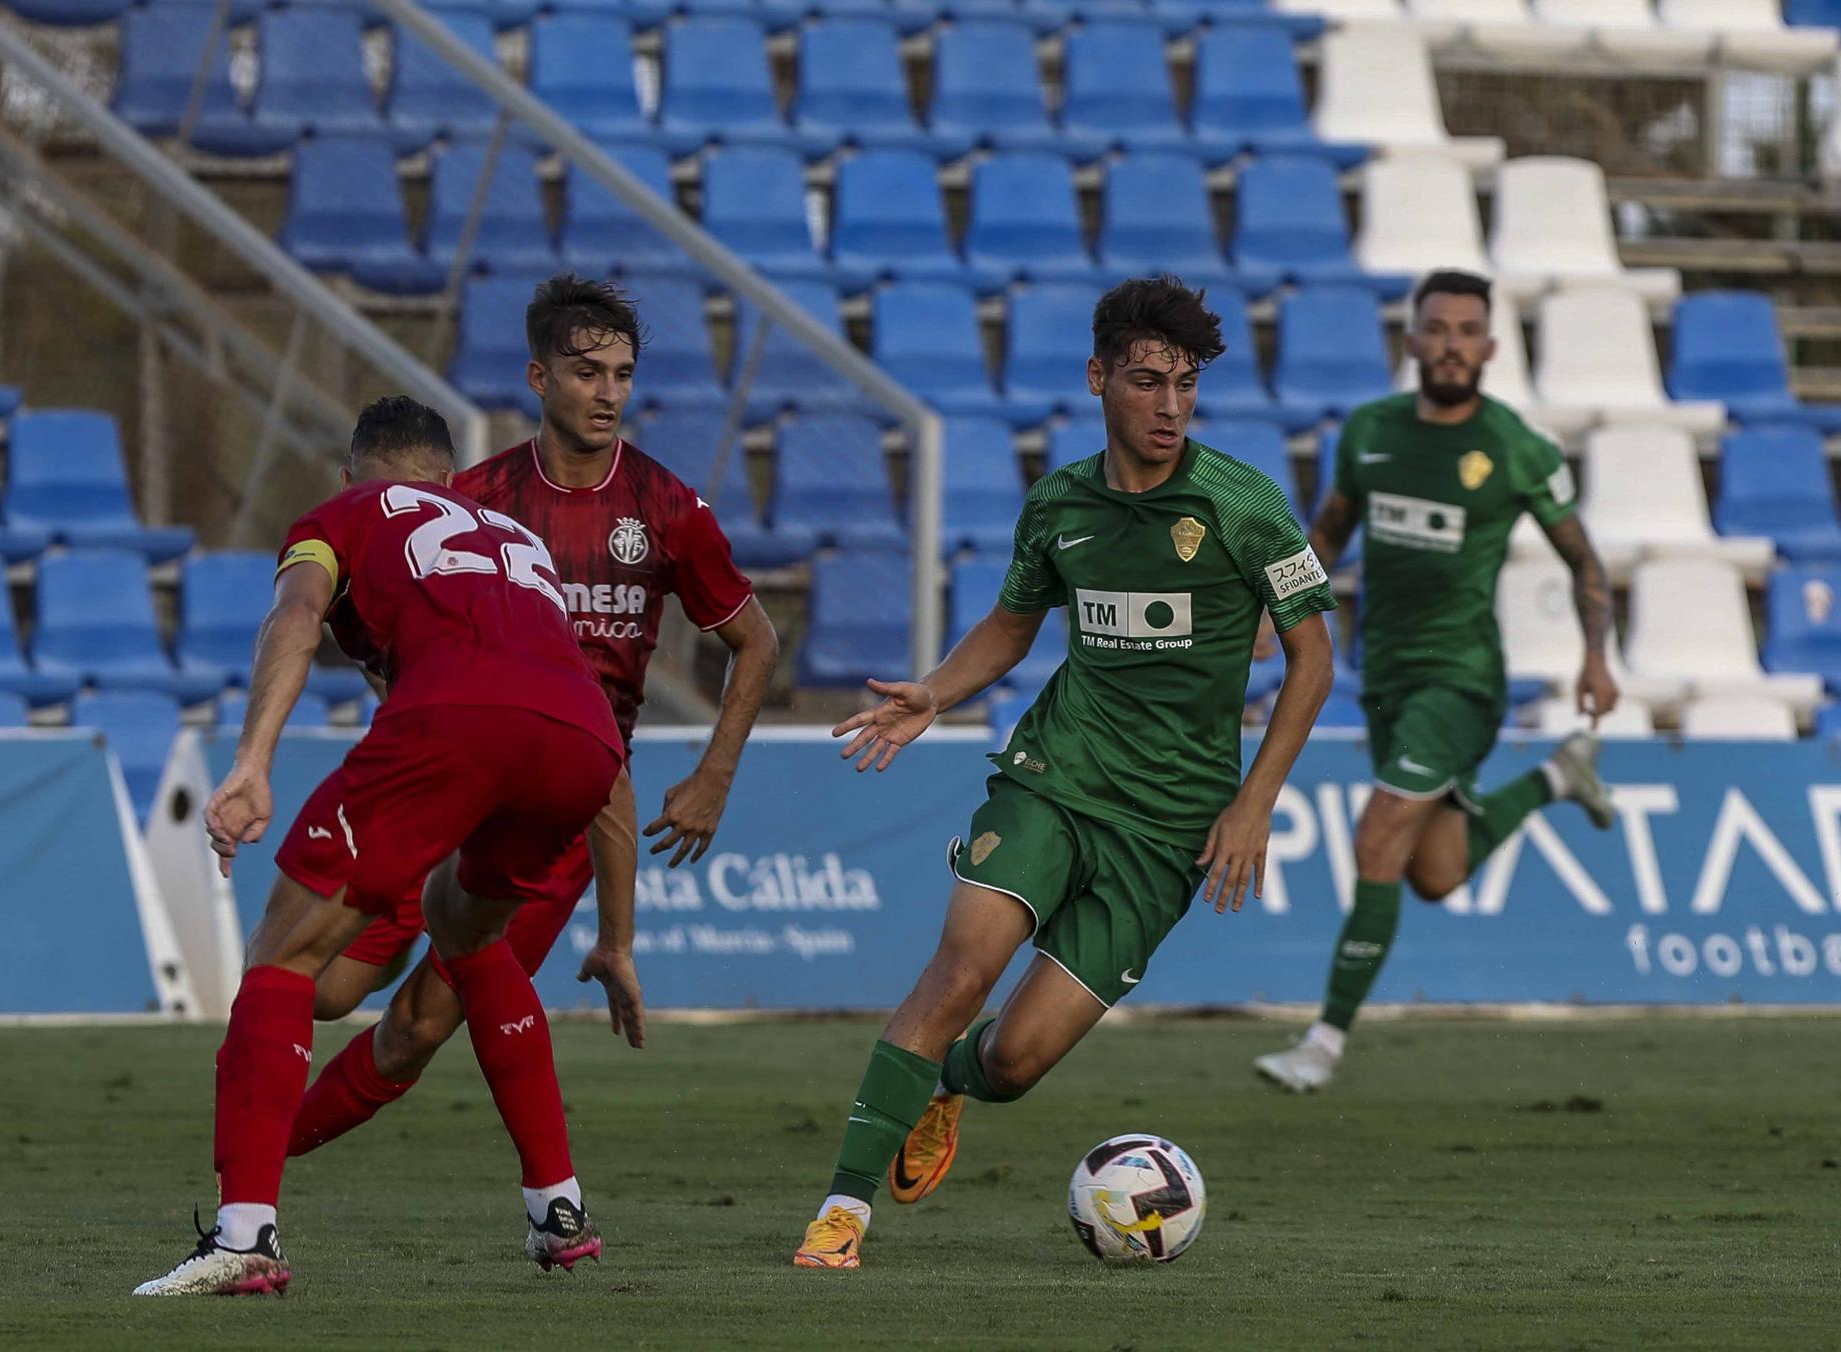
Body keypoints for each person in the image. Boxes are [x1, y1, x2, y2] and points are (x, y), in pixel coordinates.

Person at [792, 276, 1337, 1270]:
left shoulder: (1242, 505)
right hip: (1053, 777)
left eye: (1183, 385)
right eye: (1144, 381)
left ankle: (946, 1081)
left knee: (1016, 1056)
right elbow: (1013, 618)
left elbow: (1313, 658)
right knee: (958, 972)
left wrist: (1252, 801)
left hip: (1166, 832)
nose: (1168, 407)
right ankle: (841, 1210)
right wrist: (937, 690)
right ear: (1097, 379)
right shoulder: (1058, 505)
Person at [134, 396, 625, 1296]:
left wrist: (251, 763)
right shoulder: (517, 539)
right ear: (448, 477)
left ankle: (244, 1235)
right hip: (585, 740)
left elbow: (295, 616)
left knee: (280, 955)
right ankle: (558, 1210)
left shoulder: (343, 516)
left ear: (353, 471)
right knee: (464, 932)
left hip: (460, 719)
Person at [285, 274, 777, 1157]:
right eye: (588, 371)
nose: (609, 392)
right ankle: (254, 1154)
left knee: (418, 1029)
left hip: (565, 804)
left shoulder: (668, 510)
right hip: (454, 776)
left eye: (623, 374)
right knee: (320, 990)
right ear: (539, 378)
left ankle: (257, 1163)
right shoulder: (470, 498)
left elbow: (757, 640)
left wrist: (714, 775)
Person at [1254, 269, 1618, 1095]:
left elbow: (1585, 562)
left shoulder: (1517, 448)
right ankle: (1561, 775)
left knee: (1378, 836)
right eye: (1437, 329)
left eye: (1467, 331)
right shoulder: (1371, 433)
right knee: (1434, 872)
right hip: (1383, 677)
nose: (1452, 344)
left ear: (1489, 347)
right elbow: (1329, 531)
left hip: (1462, 684)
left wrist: (1597, 654)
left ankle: (1322, 1043)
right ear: (1411, 341)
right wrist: (1277, 614)